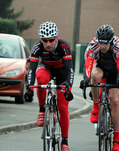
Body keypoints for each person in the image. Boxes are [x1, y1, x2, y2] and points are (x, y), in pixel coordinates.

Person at [24, 21, 74, 151]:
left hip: (62, 72)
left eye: (51, 40)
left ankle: (65, 141)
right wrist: (29, 87)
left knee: (62, 107)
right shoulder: (37, 47)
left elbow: (70, 70)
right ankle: (42, 110)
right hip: (46, 68)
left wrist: (68, 85)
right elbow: (32, 70)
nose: (47, 44)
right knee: (40, 78)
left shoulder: (64, 46)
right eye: (44, 41)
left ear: (56, 38)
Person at [82, 24, 119, 151]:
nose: (102, 46)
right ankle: (96, 107)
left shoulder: (117, 46)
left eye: (105, 43)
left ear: (111, 41)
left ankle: (117, 139)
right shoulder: (93, 45)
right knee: (94, 77)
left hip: (115, 70)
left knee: (114, 101)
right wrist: (86, 79)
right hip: (101, 67)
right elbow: (88, 63)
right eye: (101, 43)